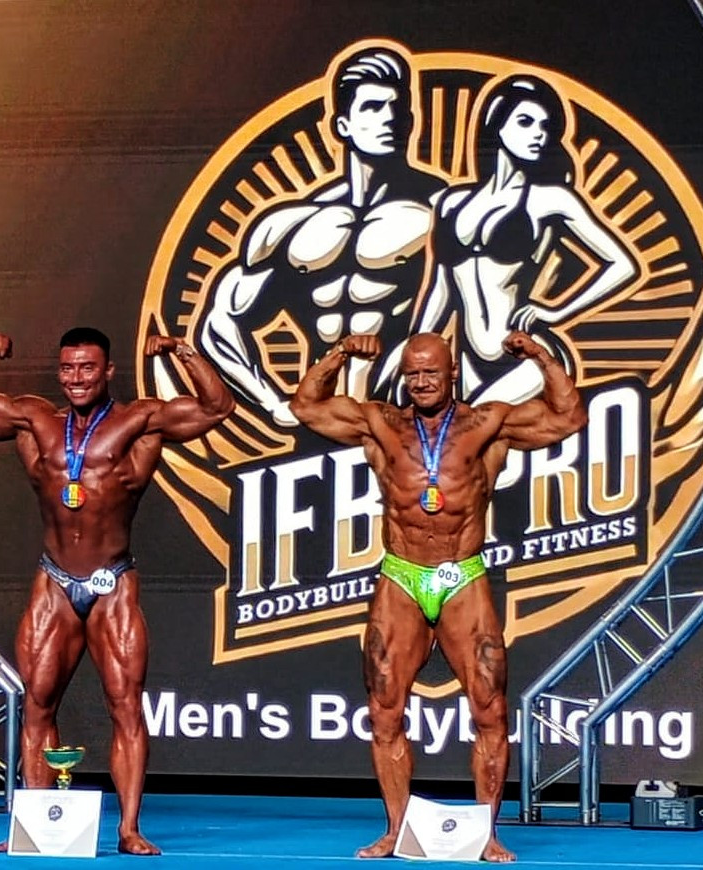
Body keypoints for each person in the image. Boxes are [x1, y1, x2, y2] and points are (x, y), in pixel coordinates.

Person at [288, 330, 588, 862]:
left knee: (490, 709)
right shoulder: (382, 424)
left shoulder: (487, 424)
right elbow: (306, 406)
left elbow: (569, 416)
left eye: (431, 372)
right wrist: (340, 353)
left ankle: (487, 833)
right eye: (413, 373)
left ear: (452, 373)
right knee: (384, 710)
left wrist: (540, 356)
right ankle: (396, 830)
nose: (422, 382)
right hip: (402, 576)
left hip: (461, 577)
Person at [0, 327, 234, 855]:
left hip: (112, 582)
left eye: (87, 368)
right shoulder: (35, 419)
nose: (76, 378)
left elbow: (216, 408)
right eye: (68, 368)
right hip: (53, 581)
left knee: (125, 706)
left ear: (108, 372)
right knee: (37, 705)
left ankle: (129, 829)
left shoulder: (139, 421)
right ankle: (35, 827)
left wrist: (182, 352)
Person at [198, 46, 445, 423]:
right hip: (321, 419)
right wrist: (272, 402)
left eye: (397, 108)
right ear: (342, 125)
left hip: (403, 419)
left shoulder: (445, 211)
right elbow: (222, 321)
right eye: (372, 107)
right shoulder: (295, 224)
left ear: (411, 121)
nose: (388, 119)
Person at [417, 74, 638, 406]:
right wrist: (416, 351)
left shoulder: (549, 199)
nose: (538, 134)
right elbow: (441, 289)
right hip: (468, 360)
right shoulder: (453, 202)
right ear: (497, 125)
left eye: (544, 127)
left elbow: (622, 265)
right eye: (525, 122)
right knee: (465, 436)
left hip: (526, 354)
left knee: (472, 425)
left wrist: (558, 311)